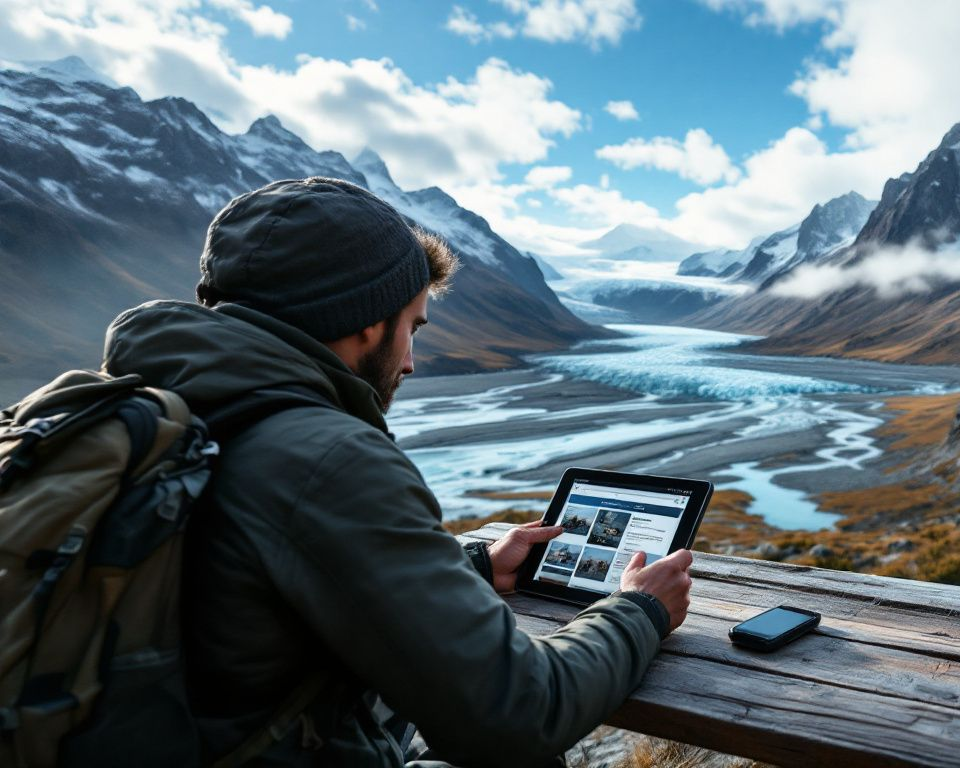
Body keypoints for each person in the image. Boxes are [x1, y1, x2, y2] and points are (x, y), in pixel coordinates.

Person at [101, 177, 694, 767]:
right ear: (365, 319)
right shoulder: (327, 459)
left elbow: (256, 576)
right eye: (412, 326)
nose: (409, 361)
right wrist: (638, 611)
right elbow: (519, 712)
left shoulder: (159, 408)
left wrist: (476, 564)